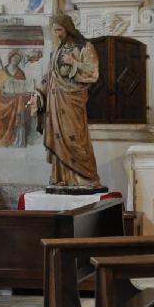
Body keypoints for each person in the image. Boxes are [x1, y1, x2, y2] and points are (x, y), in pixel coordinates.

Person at [30, 15, 101, 188]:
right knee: (58, 138)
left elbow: (93, 72)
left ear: (68, 28)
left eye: (59, 30)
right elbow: (50, 76)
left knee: (76, 139)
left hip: (73, 101)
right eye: (54, 31)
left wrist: (74, 63)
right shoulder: (58, 50)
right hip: (55, 101)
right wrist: (37, 95)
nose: (57, 34)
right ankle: (62, 177)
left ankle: (85, 177)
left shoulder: (85, 47)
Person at [0, 51, 33, 147]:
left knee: (18, 120)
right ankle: (2, 142)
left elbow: (23, 87)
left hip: (17, 102)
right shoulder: (3, 71)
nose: (15, 60)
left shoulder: (21, 73)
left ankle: (16, 142)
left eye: (18, 59)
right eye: (14, 58)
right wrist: (3, 88)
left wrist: (27, 92)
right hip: (4, 101)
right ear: (10, 58)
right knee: (3, 124)